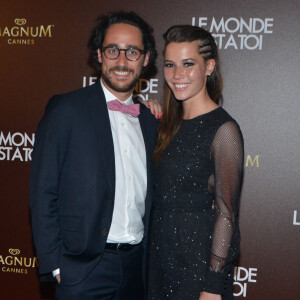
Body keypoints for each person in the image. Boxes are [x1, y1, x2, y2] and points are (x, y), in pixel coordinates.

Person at [29, 11, 158, 300]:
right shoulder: (66, 110)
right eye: (113, 50)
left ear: (145, 59)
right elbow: (43, 192)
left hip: (137, 270)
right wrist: (55, 263)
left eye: (132, 52)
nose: (122, 61)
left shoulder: (151, 120)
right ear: (99, 55)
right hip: (82, 270)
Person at [147, 25, 244, 300]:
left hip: (198, 265)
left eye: (188, 64)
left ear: (209, 67)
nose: (177, 75)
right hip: (159, 259)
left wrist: (212, 285)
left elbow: (226, 213)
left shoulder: (223, 130)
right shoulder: (165, 125)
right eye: (170, 65)